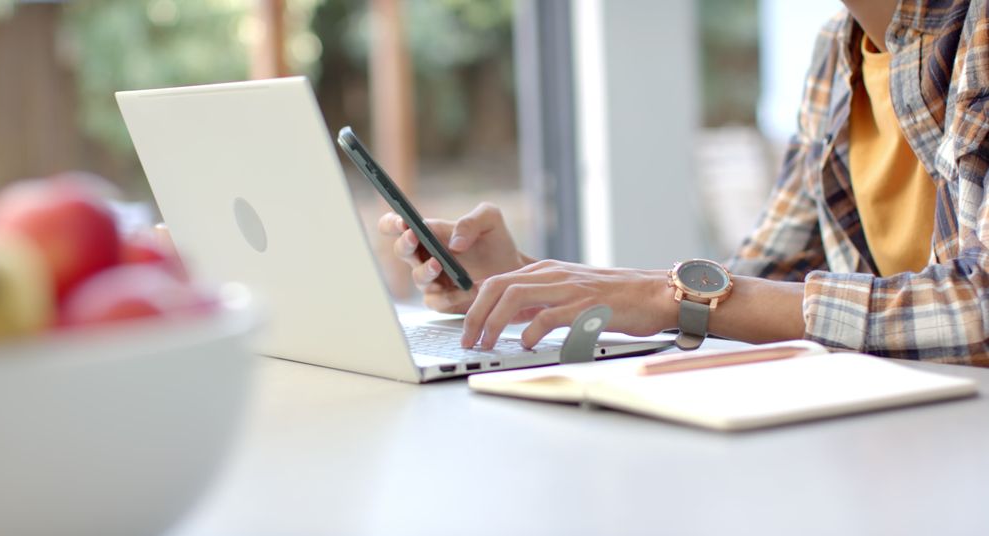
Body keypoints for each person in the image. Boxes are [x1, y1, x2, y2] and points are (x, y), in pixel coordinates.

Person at [380, 0, 989, 366]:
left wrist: (672, 296)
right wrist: (527, 284)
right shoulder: (838, 47)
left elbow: (981, 307)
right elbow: (766, 280)